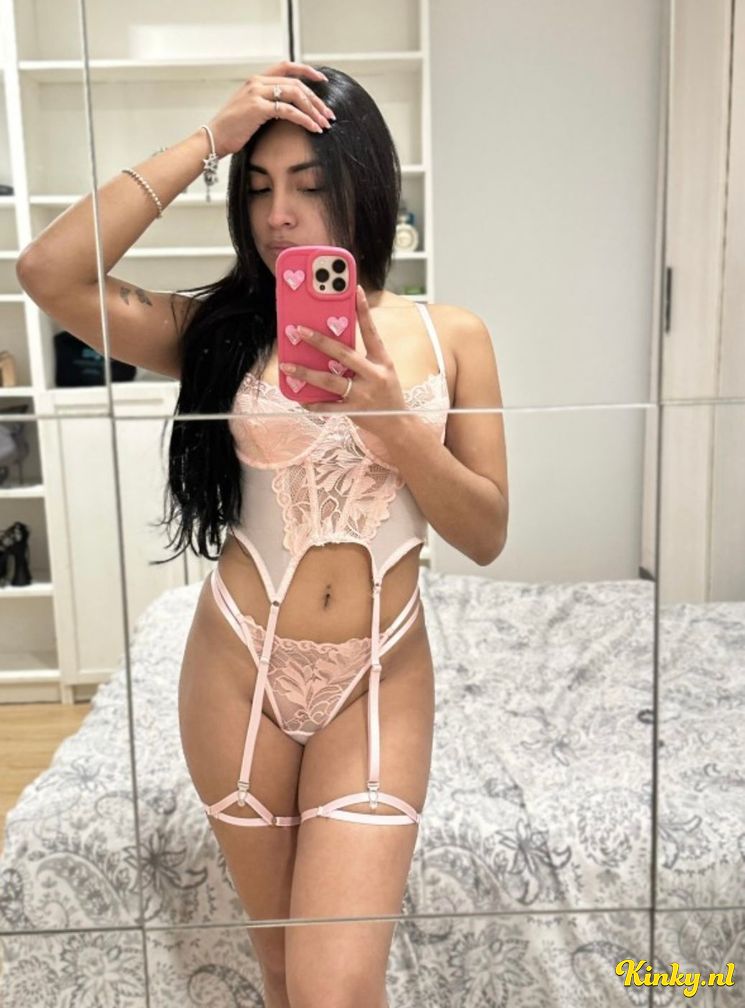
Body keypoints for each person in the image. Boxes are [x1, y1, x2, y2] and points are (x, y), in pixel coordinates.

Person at [16, 61, 508, 1008]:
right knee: (282, 973)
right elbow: (47, 271)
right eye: (257, 187)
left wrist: (397, 430)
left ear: (364, 185)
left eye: (308, 185)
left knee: (335, 986)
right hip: (236, 671)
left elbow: (484, 533)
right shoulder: (220, 332)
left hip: (378, 675)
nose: (279, 214)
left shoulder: (453, 336)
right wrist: (212, 139)